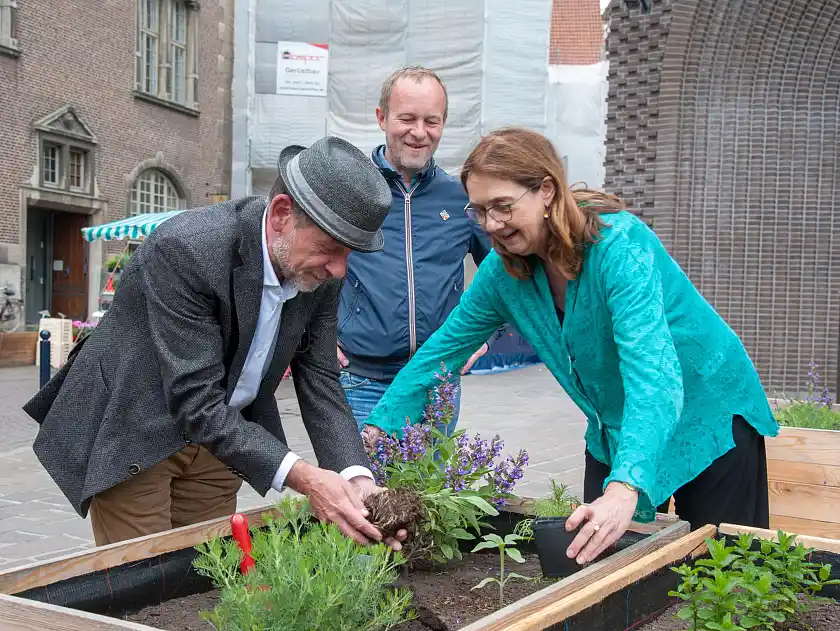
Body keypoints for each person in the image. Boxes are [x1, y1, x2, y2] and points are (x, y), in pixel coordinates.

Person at [361, 127, 779, 566]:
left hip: (707, 410)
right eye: (479, 210)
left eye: (503, 206)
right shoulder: (503, 276)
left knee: (723, 570)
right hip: (616, 421)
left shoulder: (618, 248)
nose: (491, 225)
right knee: (600, 560)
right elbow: (441, 352)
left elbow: (652, 374)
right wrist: (378, 428)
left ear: (545, 190)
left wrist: (624, 488)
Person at [23, 136, 407, 550]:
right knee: (146, 581)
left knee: (207, 575)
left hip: (224, 438)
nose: (339, 270)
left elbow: (321, 380)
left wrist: (358, 479)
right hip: (139, 425)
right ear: (281, 214)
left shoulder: (318, 273)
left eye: (349, 254)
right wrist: (307, 479)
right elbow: (195, 399)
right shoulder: (187, 249)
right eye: (330, 249)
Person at [335, 66, 494, 438]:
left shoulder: (462, 198)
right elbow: (305, 267)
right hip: (362, 382)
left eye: (431, 121)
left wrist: (484, 337)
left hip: (436, 382)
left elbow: (508, 275)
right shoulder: (349, 188)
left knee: (428, 495)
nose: (419, 132)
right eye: (407, 118)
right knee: (361, 495)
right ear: (382, 117)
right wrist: (316, 335)